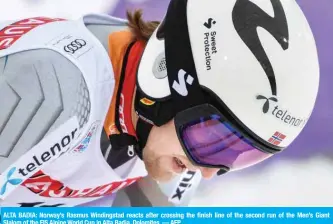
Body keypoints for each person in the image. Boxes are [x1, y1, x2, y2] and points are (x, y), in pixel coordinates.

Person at [0, 0, 319, 207]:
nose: (207, 173)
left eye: (236, 155)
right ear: (165, 76)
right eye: (214, 139)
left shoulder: (167, 138)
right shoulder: (52, 90)